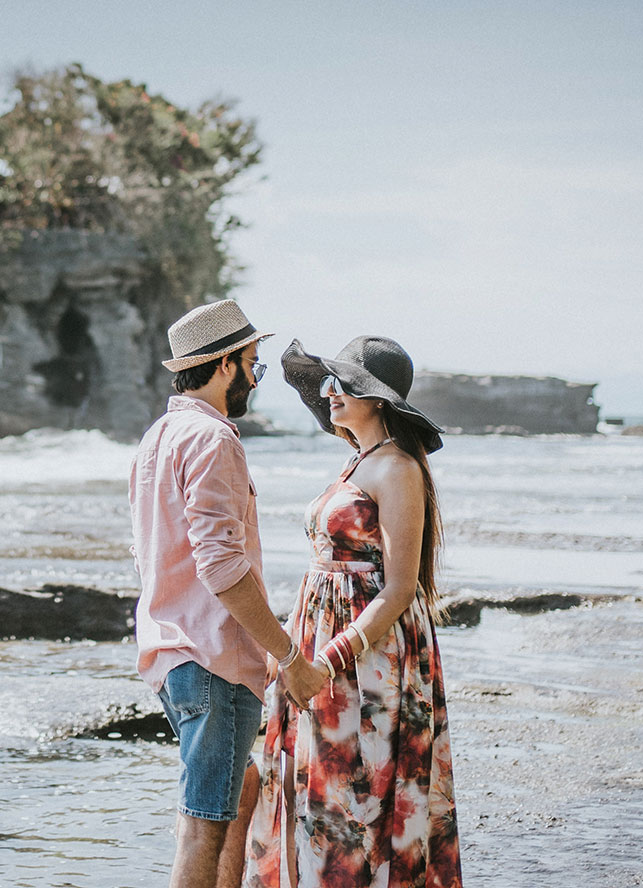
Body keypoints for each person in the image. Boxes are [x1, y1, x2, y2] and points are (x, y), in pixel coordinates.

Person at [242, 336, 462, 888]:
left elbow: (400, 586)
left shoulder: (398, 468)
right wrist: (289, 644)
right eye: (329, 382)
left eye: (344, 383)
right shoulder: (356, 463)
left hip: (369, 656)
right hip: (322, 643)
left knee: (355, 795)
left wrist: (327, 659)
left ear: (378, 399)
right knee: (319, 793)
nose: (329, 391)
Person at [131, 299, 329, 888]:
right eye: (254, 365)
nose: (255, 378)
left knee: (237, 788)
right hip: (212, 659)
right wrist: (289, 654)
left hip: (170, 651)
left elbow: (150, 550)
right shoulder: (214, 440)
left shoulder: (157, 437)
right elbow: (223, 568)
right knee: (203, 824)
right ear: (224, 367)